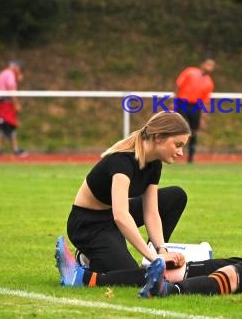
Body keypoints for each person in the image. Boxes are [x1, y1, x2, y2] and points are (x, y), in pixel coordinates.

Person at [54, 111, 191, 287]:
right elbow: (120, 215)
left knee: (175, 196)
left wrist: (161, 251)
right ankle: (85, 260)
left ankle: (148, 262)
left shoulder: (154, 163)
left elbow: (151, 212)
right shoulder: (122, 161)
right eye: (178, 145)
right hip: (89, 224)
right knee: (135, 277)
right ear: (158, 137)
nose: (181, 152)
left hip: (112, 215)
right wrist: (155, 258)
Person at [175, 58, 216, 163]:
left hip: (195, 106)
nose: (209, 68)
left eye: (211, 66)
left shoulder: (209, 82)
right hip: (182, 102)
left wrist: (203, 116)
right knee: (179, 128)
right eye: (208, 64)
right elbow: (179, 86)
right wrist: (175, 102)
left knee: (194, 131)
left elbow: (205, 100)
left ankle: (191, 157)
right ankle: (173, 153)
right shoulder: (190, 72)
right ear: (203, 64)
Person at [0, 60, 26, 156]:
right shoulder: (10, 74)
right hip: (6, 104)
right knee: (9, 125)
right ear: (15, 67)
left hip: (2, 103)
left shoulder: (3, 73)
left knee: (3, 127)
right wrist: (16, 104)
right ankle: (14, 149)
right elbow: (11, 88)